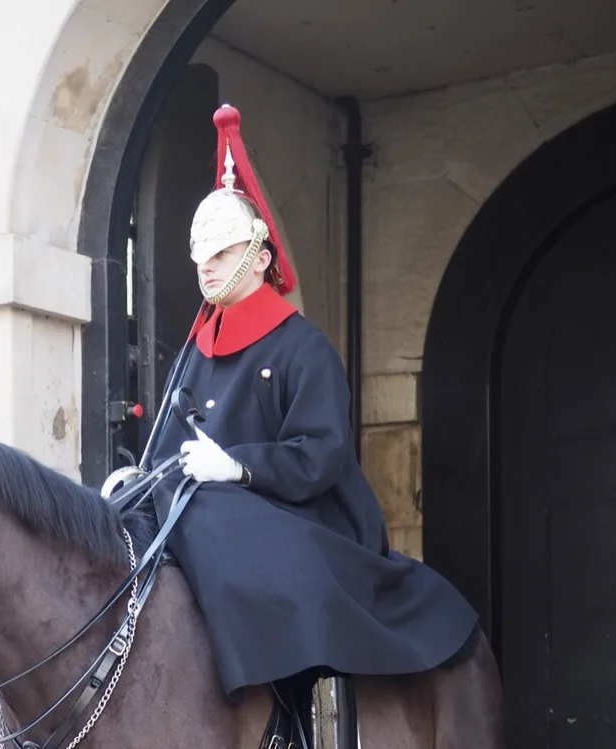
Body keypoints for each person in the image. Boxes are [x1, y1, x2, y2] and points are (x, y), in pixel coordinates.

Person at [144, 104, 480, 744]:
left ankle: (288, 716)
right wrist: (136, 480)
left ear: (258, 252)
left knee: (216, 519)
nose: (207, 267)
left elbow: (320, 455)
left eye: (223, 252)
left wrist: (238, 468)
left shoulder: (302, 348)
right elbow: (166, 443)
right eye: (201, 257)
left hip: (308, 513)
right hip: (218, 510)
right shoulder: (194, 347)